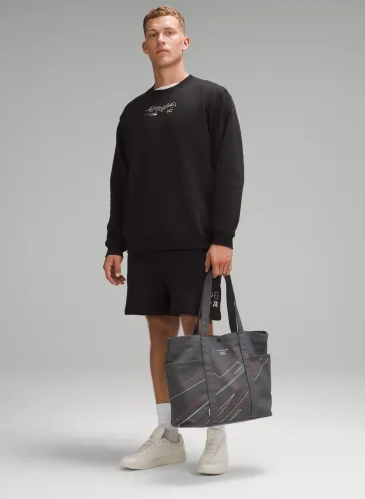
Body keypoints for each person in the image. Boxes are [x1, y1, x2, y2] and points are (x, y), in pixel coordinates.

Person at [103, 5, 244, 475]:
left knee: (198, 335)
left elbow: (229, 170)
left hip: (196, 241)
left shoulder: (211, 98)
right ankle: (168, 436)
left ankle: (216, 436)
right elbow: (121, 182)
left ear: (185, 42)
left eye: (169, 32)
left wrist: (222, 237)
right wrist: (115, 244)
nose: (161, 39)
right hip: (147, 243)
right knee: (160, 336)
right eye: (153, 34)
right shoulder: (133, 112)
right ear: (144, 46)